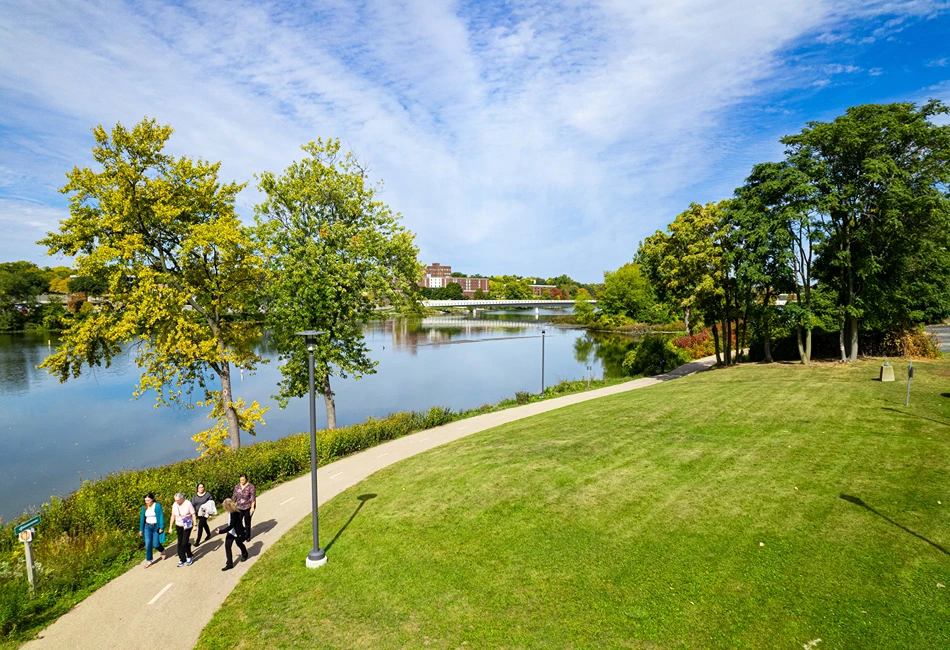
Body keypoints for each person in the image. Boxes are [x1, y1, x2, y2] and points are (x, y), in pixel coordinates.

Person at [216, 498, 248, 571]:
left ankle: (245, 553)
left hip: (237, 532)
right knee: (227, 547)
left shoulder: (234, 513)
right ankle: (229, 564)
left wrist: (221, 531)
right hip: (231, 532)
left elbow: (231, 526)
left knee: (239, 544)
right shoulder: (231, 512)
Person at [138, 493, 166, 567]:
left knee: (155, 544)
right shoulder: (144, 507)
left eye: (148, 500)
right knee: (148, 544)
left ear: (152, 499)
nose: (147, 502)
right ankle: (149, 560)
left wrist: (161, 527)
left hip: (156, 527)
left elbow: (160, 516)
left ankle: (162, 550)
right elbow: (142, 519)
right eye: (146, 501)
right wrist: (141, 529)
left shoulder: (157, 506)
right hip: (147, 527)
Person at [170, 492, 196, 566]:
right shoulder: (175, 505)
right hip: (179, 525)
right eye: (175, 500)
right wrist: (170, 527)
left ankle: (189, 556)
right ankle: (182, 559)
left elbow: (193, 514)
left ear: (182, 499)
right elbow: (173, 516)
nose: (176, 502)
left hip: (187, 525)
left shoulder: (188, 503)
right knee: (180, 543)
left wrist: (195, 525)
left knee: (184, 543)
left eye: (178, 500)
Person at [232, 473, 256, 541]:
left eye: (243, 480)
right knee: (238, 521)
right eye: (240, 480)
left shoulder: (250, 486)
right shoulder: (237, 487)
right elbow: (234, 497)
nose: (242, 481)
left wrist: (252, 507)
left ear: (246, 479)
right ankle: (242, 531)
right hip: (239, 507)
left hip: (248, 506)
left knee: (247, 521)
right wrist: (232, 506)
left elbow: (252, 498)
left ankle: (247, 536)